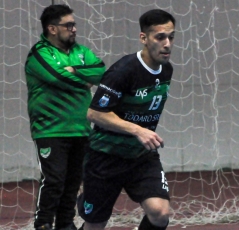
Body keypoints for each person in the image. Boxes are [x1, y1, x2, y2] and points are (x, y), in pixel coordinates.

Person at [77, 9, 176, 230]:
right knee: (96, 224)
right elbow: (95, 113)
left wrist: (141, 136)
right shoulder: (123, 71)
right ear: (144, 38)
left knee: (160, 213)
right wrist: (138, 130)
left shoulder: (166, 70)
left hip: (141, 157)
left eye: (171, 37)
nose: (167, 43)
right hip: (105, 158)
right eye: (160, 37)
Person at [24, 4, 105, 230]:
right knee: (54, 181)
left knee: (72, 184)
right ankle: (43, 224)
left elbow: (101, 71)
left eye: (74, 24)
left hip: (80, 128)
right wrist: (82, 79)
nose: (74, 29)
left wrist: (75, 71)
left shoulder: (81, 51)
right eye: (68, 25)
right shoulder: (39, 53)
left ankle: (65, 224)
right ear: (52, 29)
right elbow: (58, 78)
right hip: (50, 129)